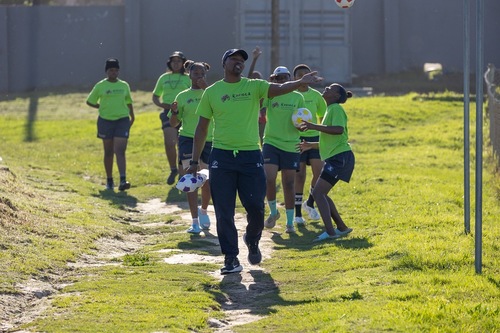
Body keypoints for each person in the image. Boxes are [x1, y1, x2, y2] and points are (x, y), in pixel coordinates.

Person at [186, 48, 322, 275]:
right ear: (224, 63)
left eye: (242, 60)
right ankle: (230, 258)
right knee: (224, 211)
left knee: (256, 209)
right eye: (234, 59)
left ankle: (252, 238)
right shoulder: (212, 92)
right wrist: (193, 160)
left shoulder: (254, 86)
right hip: (222, 157)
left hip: (251, 156)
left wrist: (299, 82)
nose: (238, 63)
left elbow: (278, 88)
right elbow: (201, 128)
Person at [297, 83, 354, 242]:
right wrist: (310, 146)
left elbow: (338, 130)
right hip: (337, 157)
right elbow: (330, 139)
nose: (326, 89)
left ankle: (330, 232)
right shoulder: (331, 109)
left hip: (340, 158)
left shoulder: (336, 108)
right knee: (320, 192)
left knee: (317, 193)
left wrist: (312, 126)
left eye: (330, 89)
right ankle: (341, 228)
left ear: (336, 96)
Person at [169, 60, 212, 234]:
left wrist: (206, 88)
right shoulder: (182, 96)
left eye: (202, 74)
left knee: (208, 179)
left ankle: (204, 211)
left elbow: (221, 110)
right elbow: (173, 123)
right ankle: (194, 221)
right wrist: (173, 112)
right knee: (190, 178)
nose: (199, 77)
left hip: (210, 139)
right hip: (187, 138)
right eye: (196, 74)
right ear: (189, 75)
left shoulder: (210, 93)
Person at [262, 66, 305, 234]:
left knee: (288, 183)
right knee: (268, 178)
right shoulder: (270, 94)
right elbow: (258, 103)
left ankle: (289, 223)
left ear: (290, 78)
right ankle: (273, 212)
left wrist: (302, 128)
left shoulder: (297, 97)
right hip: (271, 142)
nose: (282, 81)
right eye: (278, 78)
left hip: (291, 144)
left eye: (284, 77)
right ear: (274, 79)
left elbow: (302, 118)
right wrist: (268, 86)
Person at [86, 58, 135, 191]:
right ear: (106, 71)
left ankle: (123, 180)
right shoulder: (100, 86)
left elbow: (129, 101)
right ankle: (109, 180)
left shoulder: (124, 85)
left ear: (118, 71)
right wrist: (101, 107)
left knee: (120, 150)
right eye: (111, 70)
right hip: (105, 121)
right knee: (108, 151)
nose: (113, 72)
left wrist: (132, 116)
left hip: (122, 120)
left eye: (115, 70)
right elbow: (89, 101)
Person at [292, 64, 327, 225]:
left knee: (319, 173)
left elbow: (322, 117)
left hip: (314, 138)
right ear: (294, 78)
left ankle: (310, 203)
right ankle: (297, 213)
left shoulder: (316, 95)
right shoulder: (290, 94)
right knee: (299, 175)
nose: (303, 78)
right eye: (299, 75)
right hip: (297, 140)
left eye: (306, 74)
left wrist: (322, 136)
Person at [152, 51, 191, 185]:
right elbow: (155, 96)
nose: (176, 63)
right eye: (173, 61)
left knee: (183, 144)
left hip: (185, 113)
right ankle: (173, 169)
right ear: (170, 63)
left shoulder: (188, 78)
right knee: (170, 142)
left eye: (179, 61)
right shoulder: (164, 77)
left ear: (183, 63)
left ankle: (182, 174)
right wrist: (161, 104)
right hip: (168, 112)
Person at [246, 46, 267, 146]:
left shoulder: (263, 90)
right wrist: (254, 59)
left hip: (262, 118)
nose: (255, 80)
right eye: (253, 78)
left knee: (262, 136)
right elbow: (249, 76)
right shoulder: (247, 89)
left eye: (257, 78)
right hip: (250, 118)